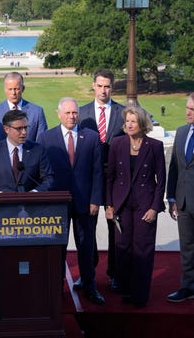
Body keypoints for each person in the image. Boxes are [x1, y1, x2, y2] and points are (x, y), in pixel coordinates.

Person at [40, 97, 105, 305]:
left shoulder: (92, 138)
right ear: (59, 114)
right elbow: (43, 173)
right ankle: (56, 290)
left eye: (74, 113)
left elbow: (97, 172)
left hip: (85, 204)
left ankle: (90, 287)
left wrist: (96, 200)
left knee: (86, 247)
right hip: (57, 203)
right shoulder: (46, 138)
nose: (71, 116)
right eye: (67, 113)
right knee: (57, 248)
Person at [106, 106, 166, 307]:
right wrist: (109, 205)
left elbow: (161, 180)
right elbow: (110, 177)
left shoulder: (155, 146)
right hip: (121, 205)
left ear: (143, 124)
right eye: (127, 121)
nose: (129, 124)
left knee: (142, 249)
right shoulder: (117, 143)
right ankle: (125, 289)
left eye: (133, 121)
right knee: (122, 247)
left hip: (145, 206)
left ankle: (139, 295)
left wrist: (155, 208)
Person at [77, 68, 125, 291]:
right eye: (100, 85)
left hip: (116, 179)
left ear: (112, 87)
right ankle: (88, 272)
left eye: (107, 86)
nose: (103, 90)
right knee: (87, 227)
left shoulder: (123, 112)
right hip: (90, 179)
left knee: (114, 227)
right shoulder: (82, 113)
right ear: (93, 86)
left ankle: (115, 273)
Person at [0, 109, 53, 194]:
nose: (24, 132)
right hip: (1, 205)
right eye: (19, 128)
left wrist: (35, 192)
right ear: (6, 129)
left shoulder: (38, 150)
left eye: (25, 127)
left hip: (30, 204)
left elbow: (48, 178)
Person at [166, 92, 194, 302]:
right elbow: (175, 167)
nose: (188, 112)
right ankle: (188, 286)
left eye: (192, 110)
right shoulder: (182, 132)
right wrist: (172, 198)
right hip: (183, 201)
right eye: (188, 108)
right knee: (187, 248)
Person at [0, 72, 47, 144]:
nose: (13, 93)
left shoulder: (37, 112)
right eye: (10, 89)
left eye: (16, 89)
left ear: (23, 89)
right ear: (4, 89)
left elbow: (41, 142)